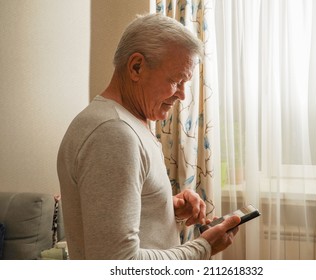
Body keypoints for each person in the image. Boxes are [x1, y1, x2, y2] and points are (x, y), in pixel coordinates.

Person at [57, 13, 240, 260]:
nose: (182, 95)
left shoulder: (126, 123)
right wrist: (204, 247)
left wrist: (165, 208)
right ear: (136, 67)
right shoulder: (112, 133)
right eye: (176, 81)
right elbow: (119, 263)